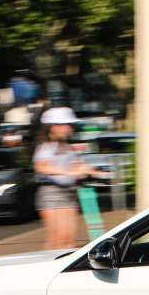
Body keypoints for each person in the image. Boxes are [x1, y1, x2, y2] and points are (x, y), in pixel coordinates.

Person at [34, 106, 102, 250]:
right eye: (66, 124)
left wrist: (87, 170)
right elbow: (40, 167)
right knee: (57, 241)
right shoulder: (47, 145)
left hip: (68, 191)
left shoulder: (64, 145)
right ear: (53, 126)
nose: (70, 127)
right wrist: (68, 173)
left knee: (68, 241)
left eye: (71, 124)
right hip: (51, 192)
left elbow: (69, 167)